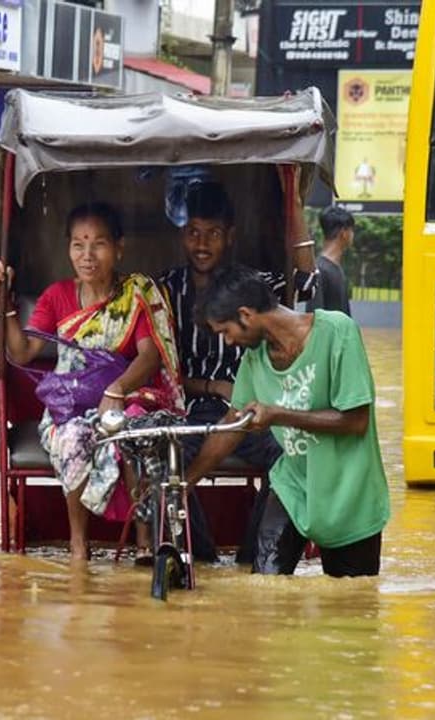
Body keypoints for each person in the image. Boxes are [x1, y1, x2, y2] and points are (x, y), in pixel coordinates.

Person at [0, 202, 184, 562]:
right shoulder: (57, 295)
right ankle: (79, 543)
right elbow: (24, 351)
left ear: (119, 247)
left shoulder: (135, 294)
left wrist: (117, 391)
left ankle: (143, 541)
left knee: (136, 430)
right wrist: (5, 304)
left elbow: (149, 355)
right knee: (74, 437)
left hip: (123, 399)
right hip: (68, 408)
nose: (87, 255)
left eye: (99, 244)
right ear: (68, 249)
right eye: (78, 244)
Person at [185, 264, 390, 577]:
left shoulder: (337, 332)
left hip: (348, 493)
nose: (227, 343)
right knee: (266, 588)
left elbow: (356, 421)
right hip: (292, 486)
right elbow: (232, 424)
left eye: (226, 332)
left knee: (349, 605)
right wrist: (186, 482)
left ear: (246, 315)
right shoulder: (255, 361)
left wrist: (279, 415)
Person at [157, 175, 318, 562]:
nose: (201, 243)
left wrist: (293, 199)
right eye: (193, 232)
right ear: (182, 236)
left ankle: (253, 560)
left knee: (290, 459)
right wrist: (215, 387)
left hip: (257, 412)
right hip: (194, 411)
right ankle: (203, 560)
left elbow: (308, 282)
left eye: (212, 233)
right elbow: (163, 372)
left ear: (229, 236)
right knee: (163, 460)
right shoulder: (164, 289)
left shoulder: (254, 286)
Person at [308, 205, 355, 317]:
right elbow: (315, 317)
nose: (353, 235)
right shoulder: (320, 270)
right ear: (343, 233)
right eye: (351, 230)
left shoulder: (334, 268)